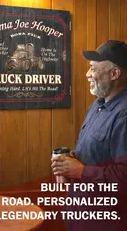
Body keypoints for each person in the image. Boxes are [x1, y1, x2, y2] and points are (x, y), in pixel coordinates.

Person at [51, 40, 127, 230]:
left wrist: (81, 171)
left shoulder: (125, 114)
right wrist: (69, 163)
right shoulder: (97, 104)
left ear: (114, 73)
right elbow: (94, 153)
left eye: (93, 68)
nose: (88, 74)